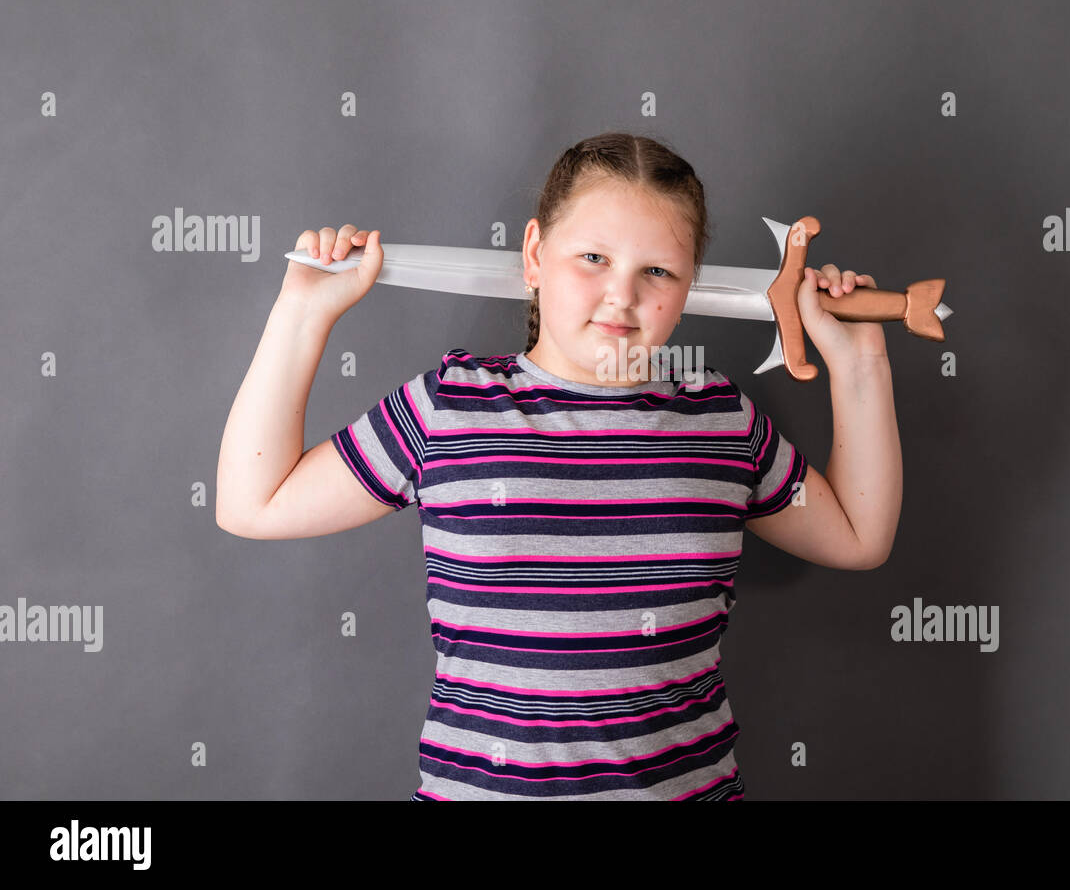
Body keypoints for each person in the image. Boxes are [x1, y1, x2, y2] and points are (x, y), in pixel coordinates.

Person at [215, 131, 903, 799]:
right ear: (536, 254)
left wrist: (860, 361)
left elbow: (858, 536)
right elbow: (253, 503)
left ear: (691, 282)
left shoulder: (720, 420)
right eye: (594, 258)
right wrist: (301, 312)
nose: (621, 296)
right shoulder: (448, 409)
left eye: (657, 271)